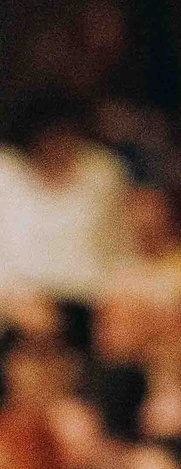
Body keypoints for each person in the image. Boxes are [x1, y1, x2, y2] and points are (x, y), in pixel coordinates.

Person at [0, 89, 131, 308]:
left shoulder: (101, 170)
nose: (57, 143)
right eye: (50, 135)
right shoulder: (6, 171)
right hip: (16, 299)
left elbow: (120, 244)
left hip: (90, 298)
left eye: (65, 133)